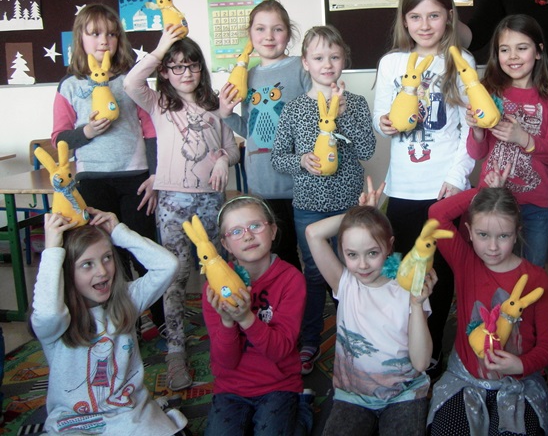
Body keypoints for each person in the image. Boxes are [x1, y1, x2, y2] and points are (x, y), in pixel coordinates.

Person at [124, 26, 240, 390]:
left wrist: (223, 159)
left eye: (192, 65)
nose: (186, 72)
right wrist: (162, 48)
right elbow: (130, 82)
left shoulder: (214, 106)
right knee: (175, 275)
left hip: (210, 201)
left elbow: (232, 148)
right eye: (176, 66)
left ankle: (223, 337)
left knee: (215, 272)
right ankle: (176, 351)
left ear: (201, 69)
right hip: (172, 204)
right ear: (165, 72)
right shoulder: (160, 104)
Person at [372, 0, 475, 375]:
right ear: (404, 20)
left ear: (449, 16)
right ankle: (407, 341)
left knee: (441, 274)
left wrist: (458, 176)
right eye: (415, 16)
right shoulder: (391, 63)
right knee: (402, 269)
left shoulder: (460, 62)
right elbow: (382, 121)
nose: (425, 25)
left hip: (444, 187)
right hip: (403, 187)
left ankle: (431, 351)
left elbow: (469, 130)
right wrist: (386, 122)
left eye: (433, 15)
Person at [51, 3, 162, 335]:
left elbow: (151, 130)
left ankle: (162, 320)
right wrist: (86, 132)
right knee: (108, 256)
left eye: (112, 34)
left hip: (136, 179)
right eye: (95, 33)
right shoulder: (70, 86)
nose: (104, 41)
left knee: (142, 248)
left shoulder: (131, 80)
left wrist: (155, 175)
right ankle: (124, 323)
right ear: (80, 38)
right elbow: (59, 138)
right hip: (91, 180)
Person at [272, 25, 376, 375]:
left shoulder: (356, 104)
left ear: (344, 59)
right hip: (309, 207)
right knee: (315, 275)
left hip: (350, 205)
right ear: (305, 62)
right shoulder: (294, 108)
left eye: (334, 56)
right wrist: (301, 160)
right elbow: (278, 159)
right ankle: (311, 339)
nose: (327, 64)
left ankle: (355, 337)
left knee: (353, 272)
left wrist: (344, 115)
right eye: (318, 58)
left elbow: (367, 150)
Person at [31, 208, 186, 435]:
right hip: (73, 421)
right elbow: (47, 314)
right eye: (87, 264)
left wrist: (120, 233)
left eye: (107, 258)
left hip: (128, 415)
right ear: (66, 273)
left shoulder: (127, 299)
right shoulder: (57, 319)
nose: (102, 271)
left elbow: (168, 266)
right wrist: (53, 250)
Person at [305, 177, 435, 435]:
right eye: (352, 255)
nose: (362, 265)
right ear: (343, 252)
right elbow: (313, 233)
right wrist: (362, 214)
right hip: (353, 396)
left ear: (389, 246)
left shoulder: (408, 287)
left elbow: (421, 362)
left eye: (372, 253)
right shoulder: (345, 283)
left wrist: (417, 303)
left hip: (403, 394)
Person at [427, 186, 548, 436]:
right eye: (483, 235)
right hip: (465, 379)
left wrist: (521, 364)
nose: (492, 247)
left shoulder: (537, 279)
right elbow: (437, 214)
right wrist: (484, 189)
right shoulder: (465, 262)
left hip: (519, 383)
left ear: (517, 233)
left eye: (503, 236)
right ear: (469, 232)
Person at [204, 195, 312, 436]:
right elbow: (225, 361)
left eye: (255, 226)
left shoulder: (291, 279)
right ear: (225, 244)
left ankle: (302, 410)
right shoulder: (213, 288)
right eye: (236, 231)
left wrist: (246, 319)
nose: (247, 236)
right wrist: (227, 321)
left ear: (273, 231)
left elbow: (280, 349)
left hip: (278, 384)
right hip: (231, 388)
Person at [220, 0, 311, 271]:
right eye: (260, 29)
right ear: (250, 35)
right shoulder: (246, 76)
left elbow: (318, 115)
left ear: (289, 33)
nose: (269, 36)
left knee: (313, 255)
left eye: (277, 29)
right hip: (262, 183)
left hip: (301, 182)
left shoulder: (301, 67)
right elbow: (250, 128)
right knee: (281, 256)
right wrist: (226, 113)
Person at [466, 14, 548, 267]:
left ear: (538, 52)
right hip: (493, 200)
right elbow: (477, 153)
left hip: (535, 203)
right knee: (493, 268)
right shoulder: (489, 93)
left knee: (532, 269)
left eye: (522, 48)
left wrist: (523, 137)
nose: (513, 57)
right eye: (504, 50)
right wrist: (477, 131)